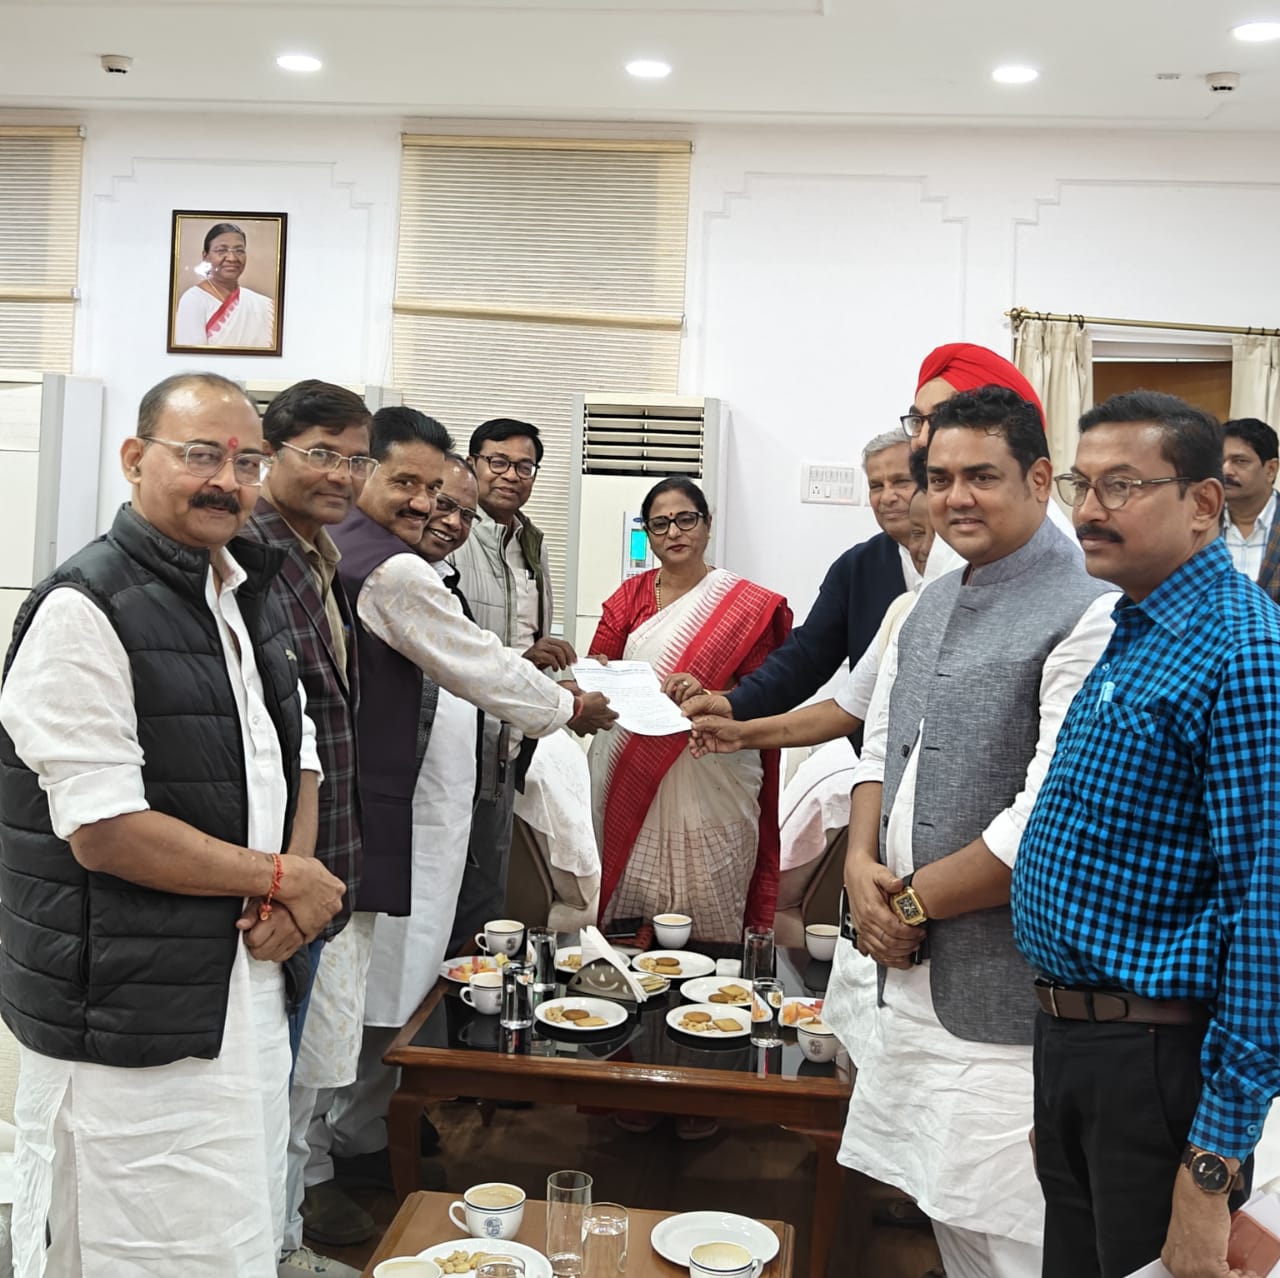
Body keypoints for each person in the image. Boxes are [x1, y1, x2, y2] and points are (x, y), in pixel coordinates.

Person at [699, 387, 1117, 1277]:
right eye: (941, 478)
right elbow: (879, 745)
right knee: (948, 1211)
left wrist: (911, 903)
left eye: (982, 477)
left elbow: (1047, 819)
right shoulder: (929, 601)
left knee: (1016, 1230)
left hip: (1001, 979)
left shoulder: (1089, 608)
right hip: (902, 964)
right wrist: (857, 864)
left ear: (1040, 478)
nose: (954, 497)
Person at [0, 372, 345, 1277]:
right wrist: (283, 878)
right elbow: (105, 829)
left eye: (247, 462)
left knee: (233, 1232)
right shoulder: (85, 607)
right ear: (134, 458)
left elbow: (299, 756)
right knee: (137, 1243)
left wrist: (294, 890)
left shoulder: (245, 592)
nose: (226, 481)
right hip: (124, 1017)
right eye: (200, 455)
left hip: (240, 988)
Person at [307, 409, 615, 1191]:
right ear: (362, 474)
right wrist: (568, 708)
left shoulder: (407, 562)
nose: (435, 513)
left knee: (395, 987)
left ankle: (366, 1133)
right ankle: (330, 1159)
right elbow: (477, 664)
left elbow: (474, 664)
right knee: (352, 999)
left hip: (435, 815)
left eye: (454, 508)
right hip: (389, 822)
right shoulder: (388, 569)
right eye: (415, 489)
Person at [1013, 391, 1280, 1278]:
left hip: (1157, 1063)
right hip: (1081, 1046)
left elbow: (1266, 918)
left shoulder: (1243, 652)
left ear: (1203, 504)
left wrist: (1211, 1168)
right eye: (1082, 485)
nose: (1089, 509)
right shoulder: (1136, 627)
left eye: (1121, 486)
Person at [241, 379, 374, 1278]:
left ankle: (282, 1244)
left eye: (354, 459)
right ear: (271, 453)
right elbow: (275, 737)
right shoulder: (249, 557)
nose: (341, 474)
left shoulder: (316, 556)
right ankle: (266, 1251)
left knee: (293, 1084)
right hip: (276, 872)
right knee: (267, 1089)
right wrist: (284, 876)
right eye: (322, 453)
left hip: (315, 866)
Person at [589, 476, 791, 942]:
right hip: (632, 762)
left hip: (714, 765)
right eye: (660, 524)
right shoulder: (629, 598)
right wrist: (596, 673)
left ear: (707, 524)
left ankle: (713, 972)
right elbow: (600, 665)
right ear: (648, 533)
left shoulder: (745, 605)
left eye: (685, 519)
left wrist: (713, 691)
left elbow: (765, 693)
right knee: (633, 896)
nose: (674, 532)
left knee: (712, 890)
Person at [449, 417, 574, 952]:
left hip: (508, 743)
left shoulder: (531, 543)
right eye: (497, 462)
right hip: (457, 741)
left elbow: (532, 636)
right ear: (472, 464)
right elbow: (453, 649)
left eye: (525, 466)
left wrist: (563, 682)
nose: (510, 476)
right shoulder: (452, 537)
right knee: (446, 893)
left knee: (486, 895)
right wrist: (526, 661)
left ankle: (475, 991)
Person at [714, 432, 914, 729]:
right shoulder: (857, 567)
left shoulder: (967, 563)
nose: (887, 497)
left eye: (901, 482)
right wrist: (735, 703)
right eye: (876, 486)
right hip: (877, 745)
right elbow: (807, 658)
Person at [174, 222, 276, 348]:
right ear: (206, 256)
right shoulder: (194, 299)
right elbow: (192, 355)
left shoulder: (262, 304)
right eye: (221, 250)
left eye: (239, 251)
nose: (232, 258)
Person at [1221, 416, 1280, 599]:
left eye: (1240, 461)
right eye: (1220, 461)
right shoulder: (1199, 524)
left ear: (1271, 470)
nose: (1226, 471)